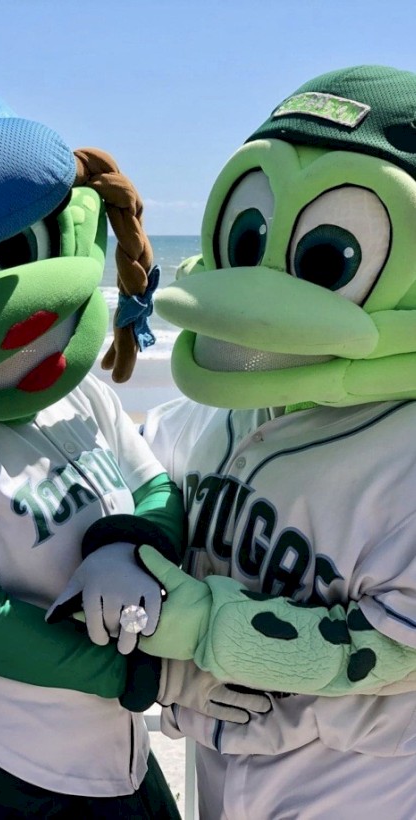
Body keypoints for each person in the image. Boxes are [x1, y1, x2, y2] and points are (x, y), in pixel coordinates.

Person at [51, 65, 416, 819]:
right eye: (249, 241)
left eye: (325, 261)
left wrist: (214, 626)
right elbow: (153, 486)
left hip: (358, 789)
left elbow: (396, 649)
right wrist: (127, 540)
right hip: (217, 776)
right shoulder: (205, 414)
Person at [0, 38, 208, 819]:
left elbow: (151, 476)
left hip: (104, 757)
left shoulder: (72, 389)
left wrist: (131, 542)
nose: (14, 318)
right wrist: (142, 672)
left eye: (15, 243)